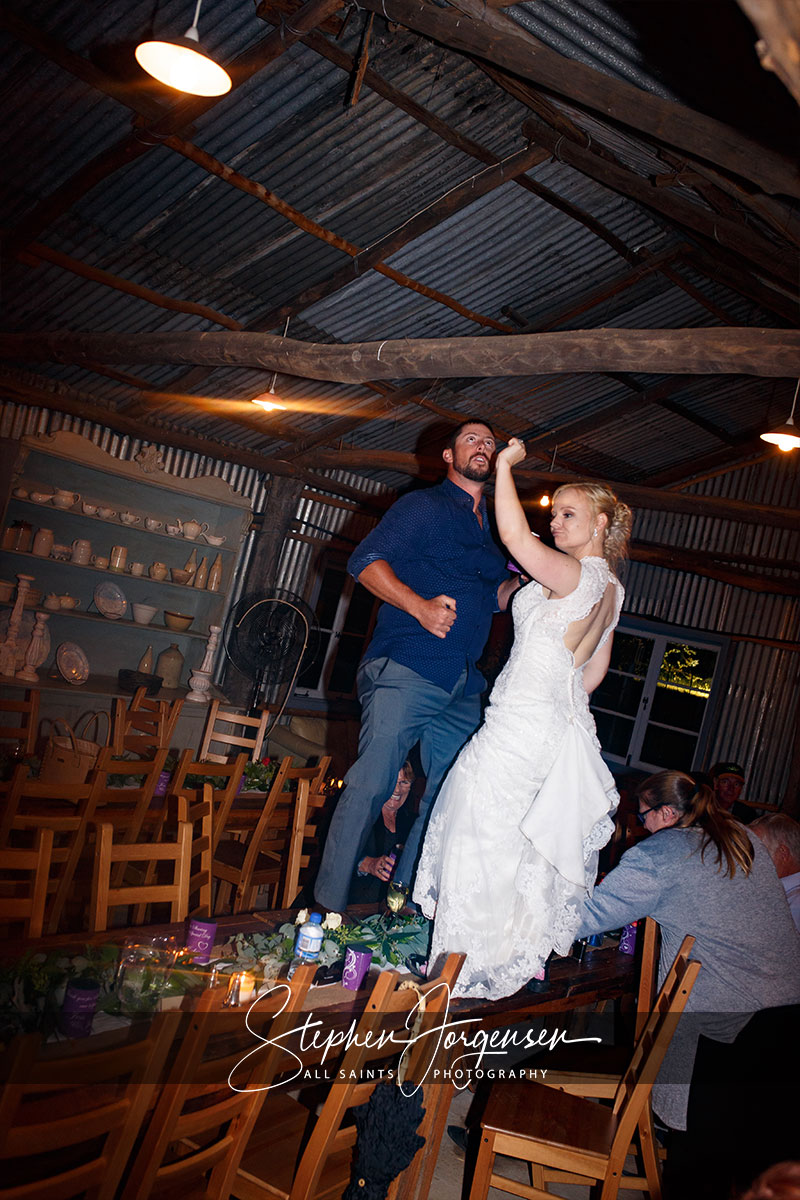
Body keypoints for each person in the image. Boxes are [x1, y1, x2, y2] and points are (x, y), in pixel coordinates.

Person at [414, 437, 632, 999]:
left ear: (601, 522)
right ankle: (474, 967)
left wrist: (507, 466)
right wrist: (548, 696)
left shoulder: (579, 576)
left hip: (522, 726)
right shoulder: (610, 586)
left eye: (567, 513)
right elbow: (592, 674)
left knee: (479, 832)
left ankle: (453, 976)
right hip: (546, 722)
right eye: (552, 513)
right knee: (505, 842)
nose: (553, 522)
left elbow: (512, 535)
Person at [314, 420, 521, 912]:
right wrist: (420, 606)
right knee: (373, 784)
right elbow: (365, 561)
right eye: (472, 439)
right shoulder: (422, 507)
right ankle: (322, 916)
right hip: (409, 664)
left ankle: (400, 905)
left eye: (490, 442)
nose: (484, 446)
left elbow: (494, 597)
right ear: (448, 456)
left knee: (453, 793)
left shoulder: (491, 535)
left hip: (462, 681)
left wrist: (530, 587)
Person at [576, 771, 800, 1197]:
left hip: (731, 1033)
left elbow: (585, 917)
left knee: (701, 1172)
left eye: (643, 817)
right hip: (788, 1019)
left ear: (665, 812)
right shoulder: (737, 836)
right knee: (757, 1173)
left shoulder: (663, 854)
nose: (641, 827)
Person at [349, 763, 416, 904]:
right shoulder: (359, 812)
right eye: (391, 781)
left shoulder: (412, 822)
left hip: (390, 908)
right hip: (349, 904)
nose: (397, 789)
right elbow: (332, 852)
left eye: (404, 782)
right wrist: (366, 864)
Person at [751, 812, 800, 932]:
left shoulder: (795, 905)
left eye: (755, 852)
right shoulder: (776, 889)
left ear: (783, 854)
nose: (748, 861)